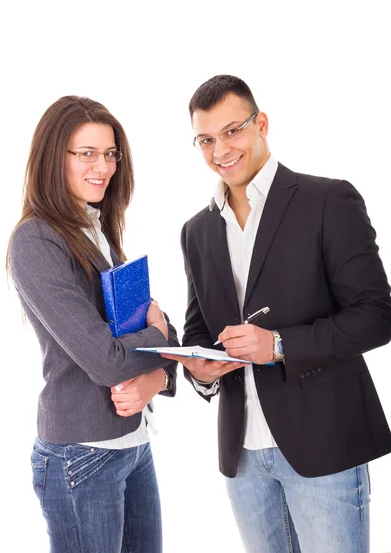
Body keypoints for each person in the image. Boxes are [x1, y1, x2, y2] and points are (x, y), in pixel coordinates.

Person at [164, 75, 391, 553]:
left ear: (260, 123)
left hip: (324, 446)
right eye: (206, 139)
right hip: (243, 456)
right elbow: (199, 330)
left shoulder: (328, 200)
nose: (220, 150)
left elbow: (376, 315)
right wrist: (201, 373)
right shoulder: (196, 231)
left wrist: (280, 345)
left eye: (232, 131)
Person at [7, 96, 178, 553]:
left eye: (109, 154)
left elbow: (155, 334)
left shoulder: (97, 229)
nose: (102, 166)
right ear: (52, 158)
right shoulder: (36, 240)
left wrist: (156, 376)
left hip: (132, 444)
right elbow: (108, 358)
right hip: (82, 456)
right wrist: (158, 338)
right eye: (86, 153)